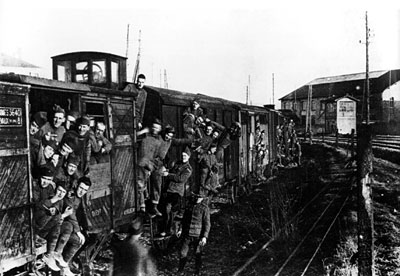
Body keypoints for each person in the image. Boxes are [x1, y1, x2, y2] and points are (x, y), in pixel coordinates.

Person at [149, 125, 193, 217]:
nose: (168, 137)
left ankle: (154, 205)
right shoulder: (158, 139)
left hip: (160, 164)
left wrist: (191, 140)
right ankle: (150, 203)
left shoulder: (170, 141)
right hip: (152, 161)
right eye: (167, 135)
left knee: (158, 182)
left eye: (170, 136)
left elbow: (180, 141)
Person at [53, 176, 91, 276]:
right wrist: (78, 232)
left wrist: (86, 228)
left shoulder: (80, 198)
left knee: (84, 240)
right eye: (81, 188)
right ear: (76, 185)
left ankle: (65, 263)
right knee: (79, 239)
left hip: (68, 227)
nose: (82, 191)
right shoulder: (70, 196)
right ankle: (63, 265)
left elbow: (83, 212)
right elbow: (71, 215)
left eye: (85, 190)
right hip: (61, 227)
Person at [36, 182, 72, 272]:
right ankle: (48, 255)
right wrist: (63, 215)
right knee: (57, 222)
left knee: (68, 226)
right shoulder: (50, 199)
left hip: (50, 229)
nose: (60, 194)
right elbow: (51, 216)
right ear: (55, 190)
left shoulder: (61, 200)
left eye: (63, 192)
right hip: (40, 230)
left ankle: (57, 253)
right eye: (59, 190)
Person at [160, 148, 193, 237]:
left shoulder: (188, 169)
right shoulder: (178, 163)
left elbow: (180, 179)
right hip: (169, 189)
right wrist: (166, 171)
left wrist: (168, 175)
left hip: (177, 192)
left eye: (185, 156)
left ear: (189, 157)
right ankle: (165, 229)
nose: (183, 157)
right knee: (165, 210)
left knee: (169, 210)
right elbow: (171, 171)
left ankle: (168, 230)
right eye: (182, 155)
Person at [177, 193, 211, 276]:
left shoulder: (204, 208)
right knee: (182, 253)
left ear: (202, 198)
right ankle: (180, 270)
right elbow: (184, 220)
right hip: (187, 235)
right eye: (195, 197)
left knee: (197, 254)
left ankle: (197, 271)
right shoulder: (189, 207)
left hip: (197, 236)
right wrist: (180, 229)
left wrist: (204, 237)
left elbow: (207, 224)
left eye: (199, 197)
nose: (197, 199)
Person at [136, 118, 162, 212]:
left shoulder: (159, 141)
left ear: (160, 129)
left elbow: (158, 157)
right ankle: (142, 207)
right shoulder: (145, 135)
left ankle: (148, 205)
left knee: (144, 185)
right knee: (140, 185)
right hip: (139, 163)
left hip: (148, 166)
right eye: (154, 127)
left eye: (157, 128)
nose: (155, 129)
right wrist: (143, 131)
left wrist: (151, 167)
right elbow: (133, 137)